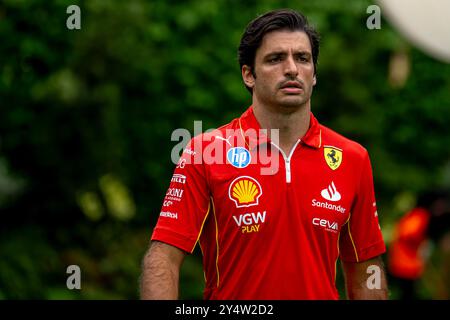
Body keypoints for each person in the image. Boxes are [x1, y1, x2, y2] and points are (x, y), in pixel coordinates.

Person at [140, 8, 388, 300]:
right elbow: (163, 259)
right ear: (248, 75)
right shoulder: (206, 152)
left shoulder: (352, 158)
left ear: (314, 74)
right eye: (275, 59)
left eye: (303, 58)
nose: (292, 69)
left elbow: (365, 269)